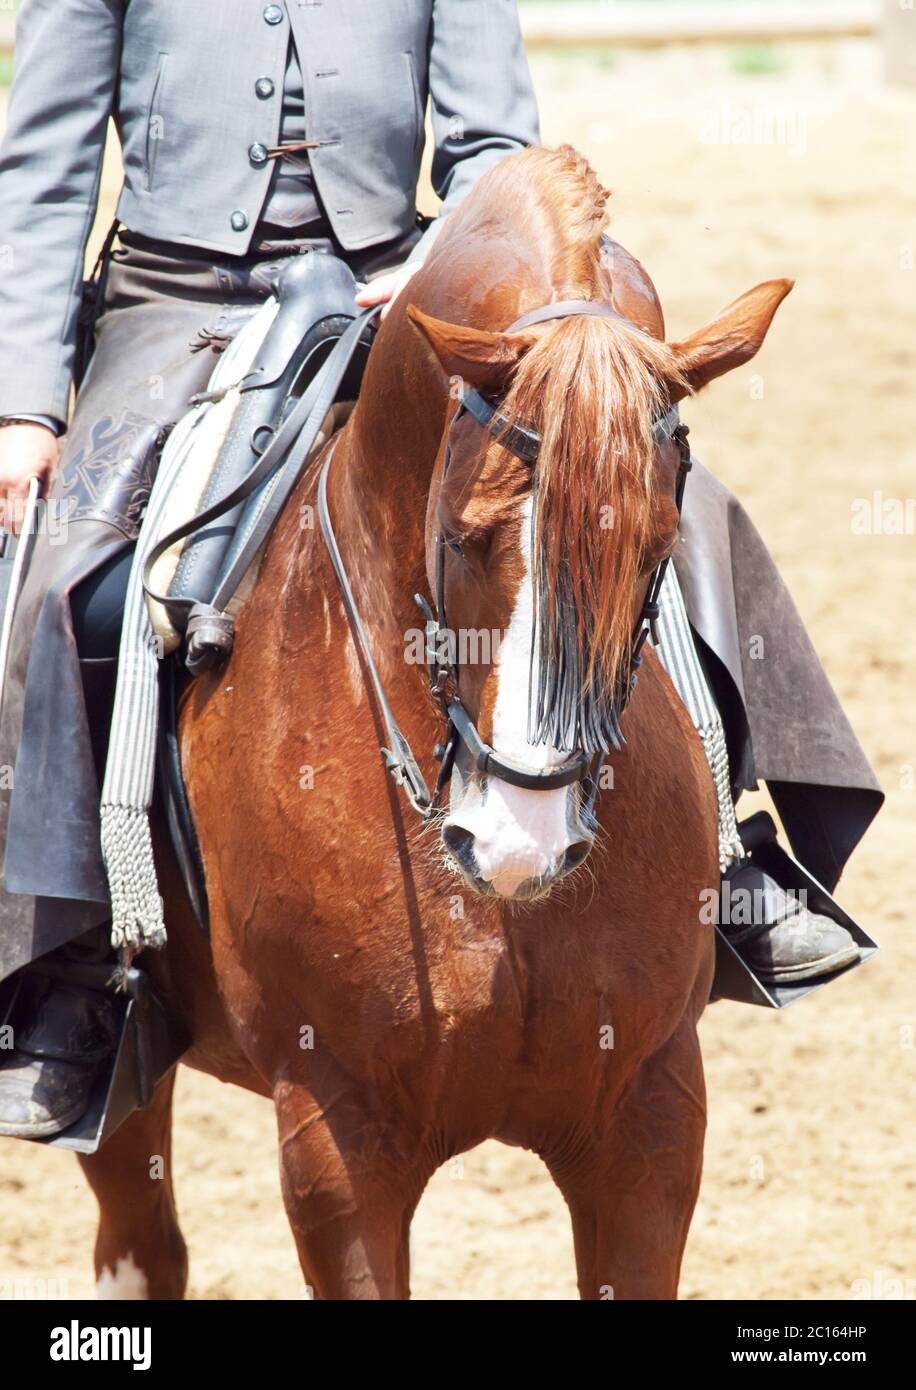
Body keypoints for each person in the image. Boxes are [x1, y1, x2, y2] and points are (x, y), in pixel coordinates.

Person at [0, 0, 882, 1140]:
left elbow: (492, 153)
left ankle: (734, 863)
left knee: (650, 500)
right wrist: (23, 403)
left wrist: (429, 267)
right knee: (69, 570)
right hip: (178, 308)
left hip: (405, 300)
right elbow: (47, 164)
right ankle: (70, 970)